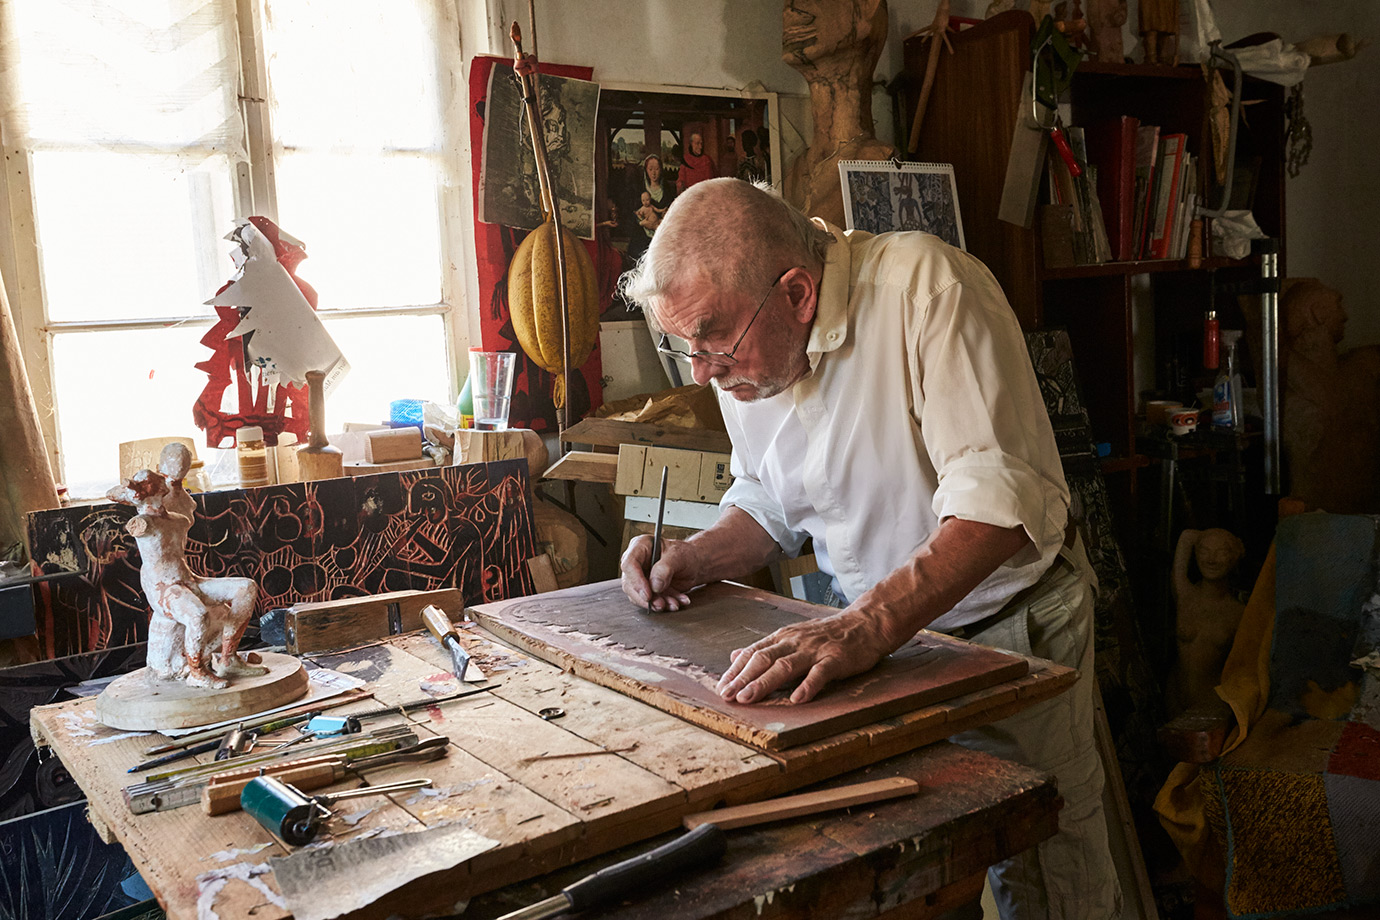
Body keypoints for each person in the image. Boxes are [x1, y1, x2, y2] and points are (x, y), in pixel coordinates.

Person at [618, 178, 1120, 920]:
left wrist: (864, 625)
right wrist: (697, 557)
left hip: (1008, 632)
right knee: (921, 867)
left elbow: (997, 510)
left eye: (713, 341)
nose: (702, 371)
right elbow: (770, 498)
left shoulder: (927, 289)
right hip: (884, 647)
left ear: (797, 294)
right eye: (684, 345)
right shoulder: (737, 348)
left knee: (1044, 863)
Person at [623, 154, 675, 262]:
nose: (654, 173)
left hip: (661, 231)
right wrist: (643, 222)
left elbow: (670, 210)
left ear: (661, 169)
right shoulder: (640, 189)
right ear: (646, 170)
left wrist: (662, 221)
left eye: (656, 169)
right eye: (650, 169)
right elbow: (634, 213)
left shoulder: (667, 189)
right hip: (642, 233)